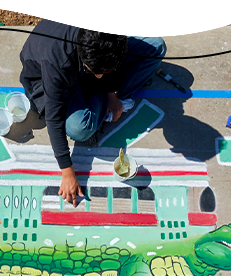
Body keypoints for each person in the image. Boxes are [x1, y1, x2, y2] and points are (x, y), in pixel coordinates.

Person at [19, 2, 167, 207]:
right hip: (45, 80)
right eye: (96, 71)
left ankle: (102, 98)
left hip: (90, 60)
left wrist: (111, 91)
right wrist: (67, 171)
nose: (100, 75)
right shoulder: (56, 63)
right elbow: (53, 118)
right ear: (84, 60)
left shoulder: (109, 11)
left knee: (156, 46)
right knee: (79, 128)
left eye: (106, 70)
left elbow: (109, 60)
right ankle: (98, 100)